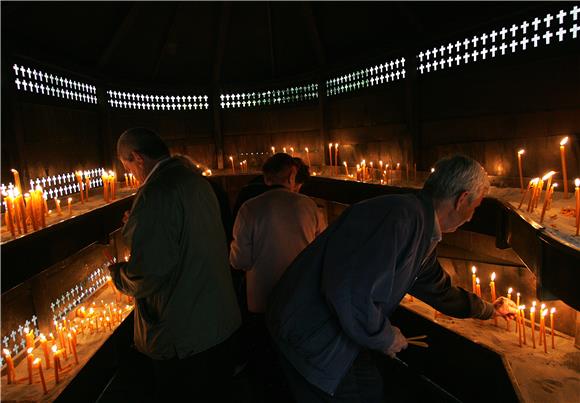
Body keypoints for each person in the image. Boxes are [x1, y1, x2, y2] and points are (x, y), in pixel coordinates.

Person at [266, 154, 518, 402]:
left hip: (325, 331)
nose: (472, 217)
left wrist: (488, 309)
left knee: (370, 385)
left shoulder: (420, 226)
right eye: (475, 207)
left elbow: (438, 289)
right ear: (462, 199)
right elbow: (351, 291)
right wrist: (384, 336)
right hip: (311, 334)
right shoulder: (399, 219)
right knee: (362, 392)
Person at [108, 128, 241, 402]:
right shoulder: (194, 181)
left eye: (127, 166)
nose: (132, 174)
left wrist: (119, 274)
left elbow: (148, 273)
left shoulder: (157, 192)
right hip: (216, 319)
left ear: (137, 157)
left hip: (185, 334)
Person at [230, 152, 327, 401]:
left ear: (266, 177)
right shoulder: (309, 207)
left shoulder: (249, 208)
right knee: (296, 365)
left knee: (266, 365)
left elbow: (239, 260)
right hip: (301, 300)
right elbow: (323, 254)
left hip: (261, 303)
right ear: (293, 175)